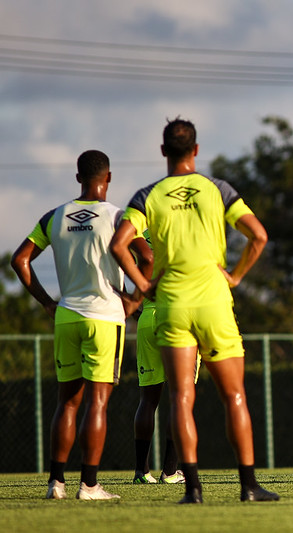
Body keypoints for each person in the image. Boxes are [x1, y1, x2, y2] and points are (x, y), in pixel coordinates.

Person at [110, 117, 278, 503]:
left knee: (179, 398)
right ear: (197, 150)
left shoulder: (147, 195)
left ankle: (193, 489)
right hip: (214, 303)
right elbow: (259, 235)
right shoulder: (217, 189)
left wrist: (144, 285)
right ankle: (249, 486)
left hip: (171, 305)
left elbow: (120, 244)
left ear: (164, 151)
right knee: (234, 396)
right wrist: (235, 276)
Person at [12, 149, 147, 500]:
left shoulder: (54, 217)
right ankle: (89, 485)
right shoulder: (119, 217)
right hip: (104, 318)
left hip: (67, 315)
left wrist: (45, 302)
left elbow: (20, 260)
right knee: (98, 403)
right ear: (109, 178)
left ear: (78, 178)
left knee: (67, 403)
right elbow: (147, 256)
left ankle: (56, 483)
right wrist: (134, 299)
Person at [129, 229, 200, 485]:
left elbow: (124, 264)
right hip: (178, 317)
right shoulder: (189, 234)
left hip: (148, 316)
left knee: (147, 400)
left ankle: (141, 472)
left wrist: (135, 309)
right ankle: (170, 472)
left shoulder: (143, 235)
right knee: (180, 398)